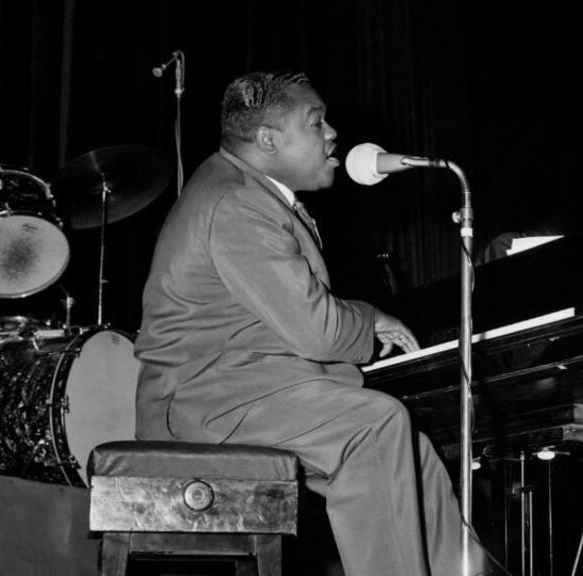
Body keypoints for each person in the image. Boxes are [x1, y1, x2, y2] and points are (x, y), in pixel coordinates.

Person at [134, 71, 475, 576]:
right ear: (268, 140)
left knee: (413, 452)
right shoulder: (236, 204)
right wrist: (371, 316)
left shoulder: (246, 191)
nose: (332, 132)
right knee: (376, 428)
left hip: (243, 391)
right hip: (201, 405)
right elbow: (315, 329)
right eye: (316, 122)